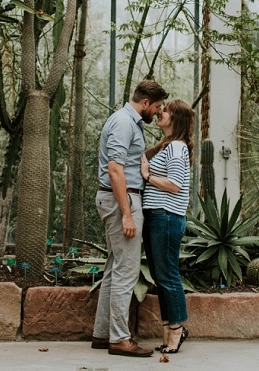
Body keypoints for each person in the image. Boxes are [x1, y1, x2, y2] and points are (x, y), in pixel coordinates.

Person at [91, 80, 168, 358]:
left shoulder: (128, 122)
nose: (158, 113)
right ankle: (120, 339)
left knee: (114, 268)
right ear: (145, 103)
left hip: (117, 198)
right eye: (157, 107)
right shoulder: (124, 123)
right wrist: (127, 214)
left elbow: (128, 161)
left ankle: (103, 334)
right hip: (122, 199)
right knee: (127, 271)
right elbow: (114, 169)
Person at [140, 98, 193, 354]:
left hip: (167, 216)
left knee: (168, 275)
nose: (160, 112)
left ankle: (177, 329)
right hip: (157, 215)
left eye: (167, 110)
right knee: (161, 277)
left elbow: (175, 184)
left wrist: (147, 175)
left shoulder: (177, 149)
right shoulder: (167, 147)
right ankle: (168, 329)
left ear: (177, 119)